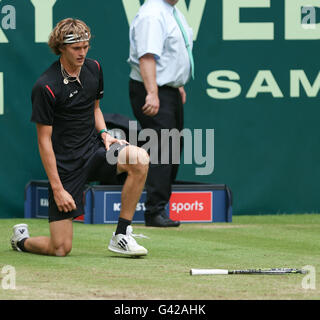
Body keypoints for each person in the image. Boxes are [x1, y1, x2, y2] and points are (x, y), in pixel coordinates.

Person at [10, 18, 150, 257]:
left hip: (94, 152)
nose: (82, 52)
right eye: (76, 48)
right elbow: (44, 141)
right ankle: (21, 240)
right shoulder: (46, 86)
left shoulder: (94, 69)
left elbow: (94, 108)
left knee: (140, 158)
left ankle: (121, 235)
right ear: (61, 47)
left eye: (86, 46)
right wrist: (57, 189)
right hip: (66, 167)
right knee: (60, 248)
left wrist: (104, 134)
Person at [128, 0, 194, 227]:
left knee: (172, 147)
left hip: (168, 89)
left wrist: (178, 84)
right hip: (153, 89)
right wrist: (152, 92)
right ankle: (153, 211)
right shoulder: (152, 14)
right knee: (163, 147)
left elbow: (172, 54)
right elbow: (147, 56)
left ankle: (159, 208)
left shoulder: (171, 12)